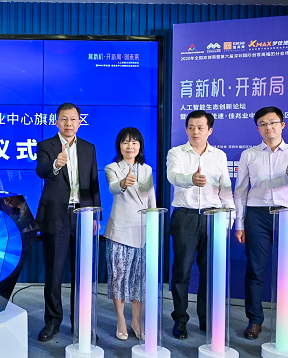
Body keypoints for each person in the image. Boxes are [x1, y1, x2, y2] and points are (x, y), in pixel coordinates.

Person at [234, 106, 288, 346]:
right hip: (257, 216)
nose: (268, 127)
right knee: (255, 270)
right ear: (257, 128)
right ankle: (254, 320)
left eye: (273, 123)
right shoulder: (249, 155)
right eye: (263, 124)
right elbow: (240, 192)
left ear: (282, 125)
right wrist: (240, 223)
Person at [35, 103, 101, 342]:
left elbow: (93, 182)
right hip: (56, 215)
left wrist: (96, 215)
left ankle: (81, 323)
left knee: (81, 273)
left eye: (73, 119)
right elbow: (41, 170)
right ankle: (52, 322)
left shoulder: (88, 148)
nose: (68, 123)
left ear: (80, 122)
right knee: (54, 273)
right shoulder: (46, 146)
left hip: (83, 215)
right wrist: (56, 164)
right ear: (56, 122)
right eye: (64, 119)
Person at [166, 109, 234, 339]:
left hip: (213, 217)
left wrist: (228, 221)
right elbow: (173, 176)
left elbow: (226, 189)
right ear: (186, 129)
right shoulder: (176, 152)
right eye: (191, 127)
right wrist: (191, 180)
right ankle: (180, 320)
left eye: (200, 127)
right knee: (181, 272)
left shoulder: (219, 156)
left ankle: (206, 319)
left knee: (209, 273)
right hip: (185, 217)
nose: (195, 131)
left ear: (209, 130)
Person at [103, 127, 155, 341]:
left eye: (134, 142)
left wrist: (154, 225)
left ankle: (136, 321)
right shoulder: (112, 167)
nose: (130, 146)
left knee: (138, 280)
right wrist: (124, 183)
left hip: (141, 231)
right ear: (119, 146)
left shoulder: (147, 169)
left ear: (140, 146)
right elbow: (113, 187)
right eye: (125, 142)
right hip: (119, 231)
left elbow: (151, 200)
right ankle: (121, 320)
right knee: (118, 277)